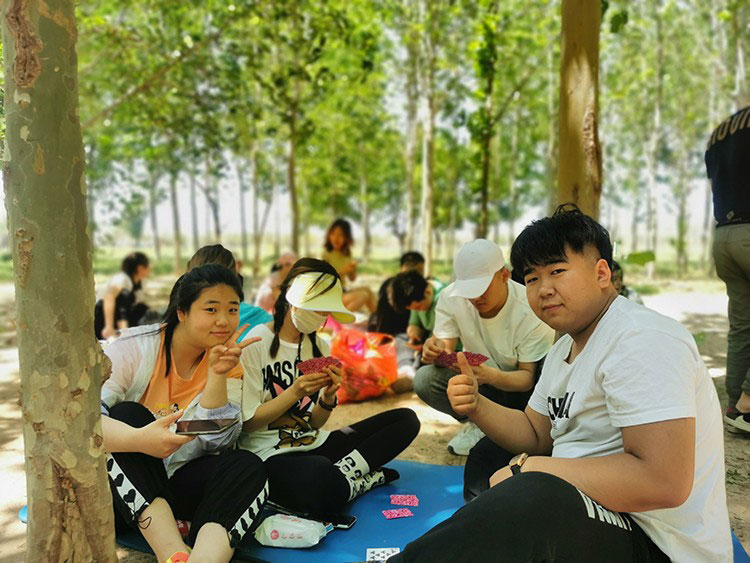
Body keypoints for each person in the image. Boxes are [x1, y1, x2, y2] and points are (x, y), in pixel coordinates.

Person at [389, 206, 731, 563]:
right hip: (592, 510)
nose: (544, 289)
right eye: (532, 278)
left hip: (656, 541)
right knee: (487, 457)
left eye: (557, 271)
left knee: (534, 495)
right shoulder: (564, 347)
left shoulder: (642, 338)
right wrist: (477, 405)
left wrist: (531, 469)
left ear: (602, 273)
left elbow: (662, 482)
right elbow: (535, 433)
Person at [100, 264, 268, 563]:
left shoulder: (227, 359)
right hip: (122, 492)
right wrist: (141, 440)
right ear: (182, 312)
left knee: (246, 465)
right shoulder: (132, 348)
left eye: (232, 310)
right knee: (128, 415)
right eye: (211, 309)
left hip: (176, 483)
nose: (224, 320)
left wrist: (217, 375)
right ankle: (173, 553)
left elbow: (216, 441)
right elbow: (87, 422)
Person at [238, 258, 420, 517]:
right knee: (319, 476)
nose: (322, 318)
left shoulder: (320, 347)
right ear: (293, 300)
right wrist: (295, 392)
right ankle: (358, 479)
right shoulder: (256, 342)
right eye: (318, 309)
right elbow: (248, 423)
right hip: (270, 455)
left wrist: (327, 397)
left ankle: (342, 479)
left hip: (316, 444)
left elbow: (314, 423)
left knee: (406, 420)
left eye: (327, 312)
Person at [414, 239, 554, 460]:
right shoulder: (451, 299)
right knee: (425, 379)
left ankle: (528, 431)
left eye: (482, 289)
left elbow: (527, 379)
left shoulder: (529, 308)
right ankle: (480, 424)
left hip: (523, 394)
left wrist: (490, 375)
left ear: (504, 275)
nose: (475, 298)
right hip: (482, 384)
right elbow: (445, 351)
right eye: (469, 291)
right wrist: (435, 351)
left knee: (545, 373)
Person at [705, 104, 750, 433]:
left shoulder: (720, 132)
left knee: (742, 325)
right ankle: (747, 403)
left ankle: (736, 406)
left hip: (724, 236)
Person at [186, 244, 272, 340]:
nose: (222, 322)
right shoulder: (263, 320)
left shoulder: (179, 323)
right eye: (211, 310)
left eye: (232, 310)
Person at [322, 218, 376, 313]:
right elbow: (325, 280)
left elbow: (352, 279)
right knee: (362, 296)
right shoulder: (326, 254)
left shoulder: (346, 254)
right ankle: (338, 319)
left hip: (342, 291)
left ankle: (379, 319)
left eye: (340, 235)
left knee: (367, 290)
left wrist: (352, 270)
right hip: (330, 293)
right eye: (333, 234)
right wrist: (342, 272)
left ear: (347, 237)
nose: (336, 238)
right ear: (329, 235)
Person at [95, 252, 152, 340]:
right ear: (140, 268)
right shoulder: (123, 279)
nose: (150, 270)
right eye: (148, 267)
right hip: (102, 317)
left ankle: (130, 334)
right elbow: (109, 297)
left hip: (119, 315)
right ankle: (123, 333)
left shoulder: (141, 283)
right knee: (125, 295)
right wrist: (109, 326)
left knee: (142, 308)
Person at [369, 251, 425, 336]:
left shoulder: (389, 283)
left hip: (384, 329)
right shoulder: (415, 286)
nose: (422, 274)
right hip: (403, 330)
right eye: (420, 270)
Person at [389, 270, 445, 348]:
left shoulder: (444, 301)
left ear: (428, 292)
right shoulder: (416, 295)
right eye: (413, 309)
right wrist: (414, 333)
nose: (417, 310)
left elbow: (445, 340)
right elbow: (414, 324)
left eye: (418, 307)